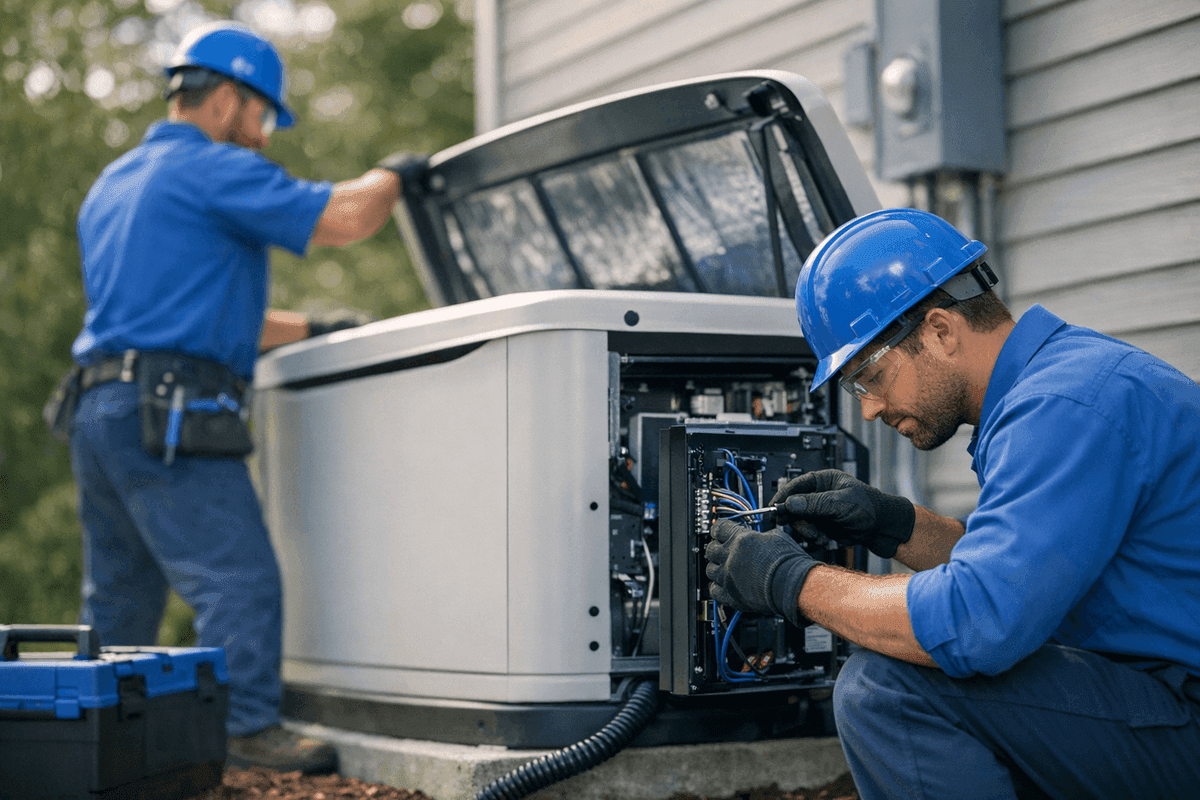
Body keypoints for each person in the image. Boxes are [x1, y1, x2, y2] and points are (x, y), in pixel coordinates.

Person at [704, 208, 1200, 798]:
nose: (867, 409)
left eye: (869, 377)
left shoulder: (1066, 407)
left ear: (940, 331)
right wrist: (894, 524)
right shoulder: (1067, 385)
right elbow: (1023, 574)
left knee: (885, 687)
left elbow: (977, 621)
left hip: (1182, 718)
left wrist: (792, 581)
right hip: (1158, 696)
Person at [66, 21, 407, 773]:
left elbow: (188, 315)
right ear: (225, 99)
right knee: (237, 577)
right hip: (173, 410)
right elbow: (347, 217)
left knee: (120, 599)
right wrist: (396, 175)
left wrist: (314, 326)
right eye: (261, 116)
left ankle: (89, 746)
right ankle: (247, 731)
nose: (262, 137)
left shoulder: (115, 183)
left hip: (100, 412)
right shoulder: (210, 169)